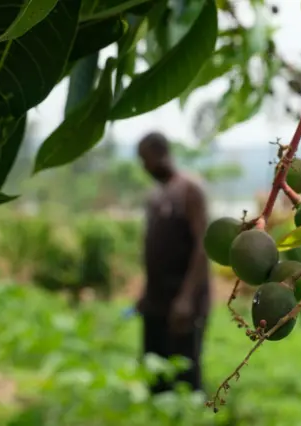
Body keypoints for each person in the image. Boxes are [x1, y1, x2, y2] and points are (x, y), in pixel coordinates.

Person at [135, 131, 211, 395]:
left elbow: (204, 246)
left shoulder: (189, 190)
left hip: (182, 304)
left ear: (159, 154)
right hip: (157, 303)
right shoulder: (156, 195)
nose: (144, 167)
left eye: (145, 159)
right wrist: (145, 293)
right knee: (155, 374)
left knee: (184, 377)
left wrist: (187, 298)